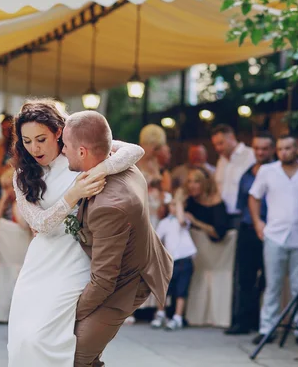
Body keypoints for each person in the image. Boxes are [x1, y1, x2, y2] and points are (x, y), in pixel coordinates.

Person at [6, 100, 156, 367]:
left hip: (76, 256)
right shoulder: (22, 175)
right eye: (27, 141)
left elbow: (134, 150)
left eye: (41, 139)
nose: (34, 148)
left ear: (58, 133)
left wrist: (100, 170)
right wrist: (73, 195)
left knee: (46, 336)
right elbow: (38, 223)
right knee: (22, 338)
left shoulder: (78, 152)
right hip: (42, 260)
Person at [61, 111, 173, 366]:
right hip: (123, 264)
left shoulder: (108, 206)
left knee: (74, 356)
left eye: (65, 145)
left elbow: (103, 281)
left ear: (82, 152)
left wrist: (66, 316)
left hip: (127, 282)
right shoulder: (120, 161)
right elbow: (128, 147)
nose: (62, 150)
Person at [249, 134, 298, 347]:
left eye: (289, 148)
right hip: (274, 234)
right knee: (272, 284)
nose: (284, 152)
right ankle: (267, 328)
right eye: (281, 148)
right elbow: (254, 196)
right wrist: (258, 222)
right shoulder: (267, 171)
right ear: (277, 151)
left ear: (297, 149)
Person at [226, 131, 275, 335]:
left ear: (272, 149)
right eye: (257, 148)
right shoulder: (247, 174)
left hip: (272, 229)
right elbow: (240, 205)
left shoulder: (277, 172)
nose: (260, 152)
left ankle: (260, 321)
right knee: (244, 277)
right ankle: (242, 321)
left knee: (268, 278)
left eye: (264, 148)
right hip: (247, 228)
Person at [151, 191, 196, 331]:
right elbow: (157, 239)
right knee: (163, 288)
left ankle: (177, 317)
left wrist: (179, 204)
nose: (174, 207)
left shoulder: (185, 219)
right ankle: (161, 313)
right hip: (170, 260)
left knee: (181, 290)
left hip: (184, 259)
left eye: (176, 205)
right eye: (171, 205)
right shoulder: (164, 223)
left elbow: (182, 221)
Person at [211, 124, 255, 229]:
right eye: (215, 145)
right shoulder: (221, 160)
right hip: (223, 216)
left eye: (221, 143)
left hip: (243, 216)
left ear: (231, 137)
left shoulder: (250, 155)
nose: (218, 148)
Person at [184, 168, 229, 242]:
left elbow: (218, 233)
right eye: (189, 181)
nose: (191, 186)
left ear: (205, 183)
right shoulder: (190, 200)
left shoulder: (216, 203)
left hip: (215, 248)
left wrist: (195, 222)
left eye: (196, 182)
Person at [0, 115, 14, 184]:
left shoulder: (24, 145)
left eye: (9, 129)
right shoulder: (2, 148)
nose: (6, 133)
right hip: (6, 184)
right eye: (3, 129)